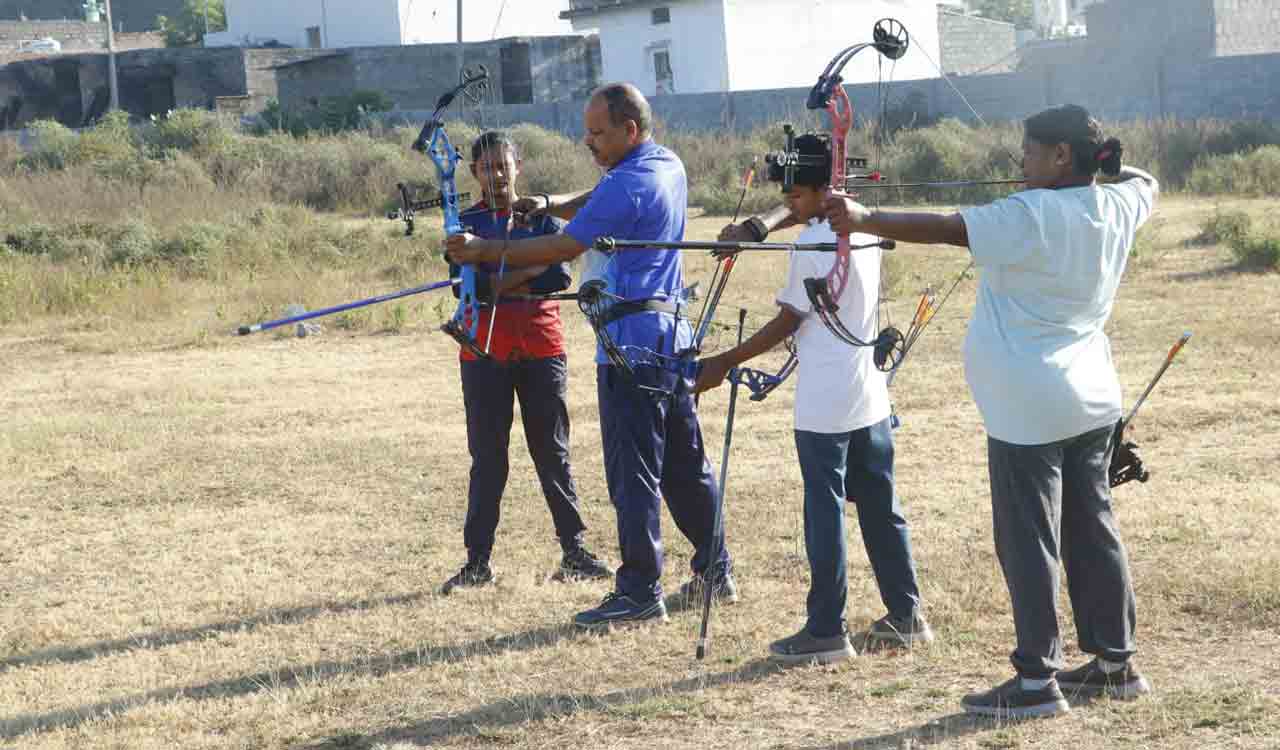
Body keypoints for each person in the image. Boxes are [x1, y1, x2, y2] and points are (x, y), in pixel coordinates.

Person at [823, 104, 1157, 717]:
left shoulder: (1028, 214)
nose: (1020, 162)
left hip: (1029, 410)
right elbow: (1144, 181)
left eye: (1030, 152)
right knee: (1092, 529)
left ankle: (1036, 682)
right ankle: (1117, 663)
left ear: (1060, 157)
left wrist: (866, 216)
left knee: (1028, 540)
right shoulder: (1118, 202)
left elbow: (950, 227)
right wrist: (1103, 164)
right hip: (1091, 402)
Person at [446, 84, 736, 628]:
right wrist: (554, 203)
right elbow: (600, 194)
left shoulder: (629, 183)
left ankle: (639, 591)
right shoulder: (665, 164)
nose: (588, 141)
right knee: (683, 465)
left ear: (629, 130)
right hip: (669, 335)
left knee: (634, 474)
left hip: (630, 344)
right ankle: (715, 567)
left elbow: (562, 248)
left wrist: (485, 250)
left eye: (598, 133)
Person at [697, 133, 930, 665]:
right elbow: (806, 218)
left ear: (823, 189)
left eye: (797, 198)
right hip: (868, 395)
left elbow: (786, 321)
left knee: (823, 512)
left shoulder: (812, 244)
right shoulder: (864, 226)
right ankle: (907, 613)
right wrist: (761, 227)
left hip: (825, 402)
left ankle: (827, 629)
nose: (791, 208)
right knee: (879, 504)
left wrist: (720, 363)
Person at [440, 131, 611, 595]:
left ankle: (574, 551)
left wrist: (504, 277)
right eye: (484, 167)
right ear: (473, 172)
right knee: (488, 459)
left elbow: (558, 273)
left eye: (503, 165)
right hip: (482, 350)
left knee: (552, 451)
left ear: (518, 166)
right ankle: (477, 562)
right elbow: (464, 288)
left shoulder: (541, 216)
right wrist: (528, 271)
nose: (495, 175)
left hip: (541, 345)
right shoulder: (464, 221)